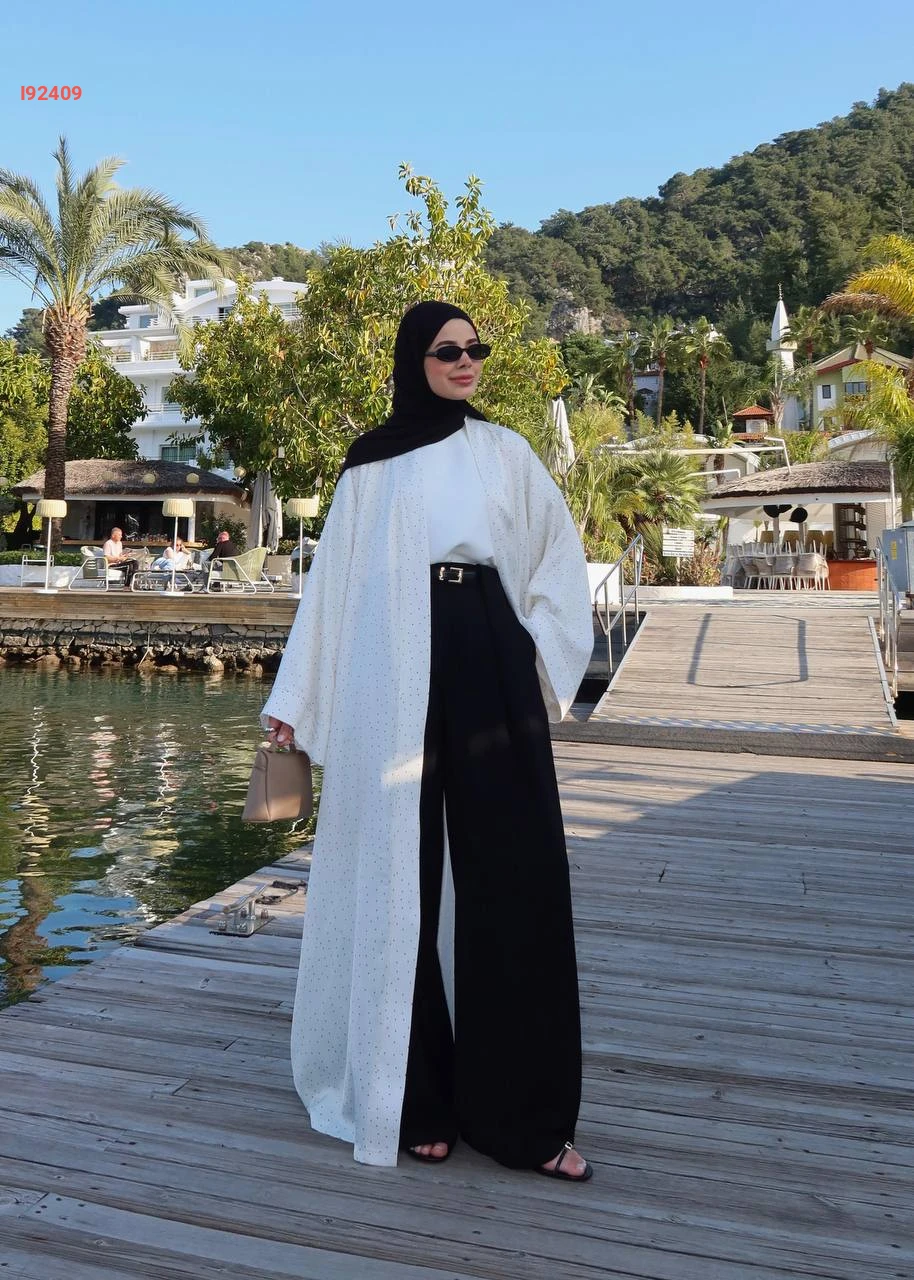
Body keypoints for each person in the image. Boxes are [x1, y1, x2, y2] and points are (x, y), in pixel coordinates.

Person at [261, 301, 594, 1181]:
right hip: (394, 660)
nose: (465, 361)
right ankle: (411, 1098)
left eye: (476, 348)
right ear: (416, 359)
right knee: (394, 868)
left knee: (516, 871)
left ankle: (524, 1119)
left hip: (491, 648)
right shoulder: (371, 464)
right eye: (448, 350)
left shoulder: (505, 451)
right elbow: (332, 588)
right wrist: (296, 697)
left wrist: (533, 650)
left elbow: (557, 556)